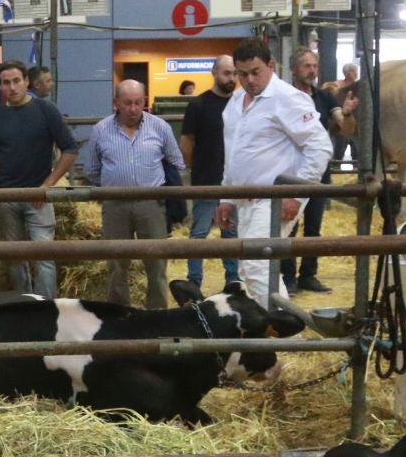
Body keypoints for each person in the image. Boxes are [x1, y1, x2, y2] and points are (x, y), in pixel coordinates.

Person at [217, 38, 332, 307]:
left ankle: (281, 326)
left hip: (274, 199)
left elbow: (320, 146)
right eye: (242, 74)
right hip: (245, 198)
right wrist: (226, 197)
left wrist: (295, 193)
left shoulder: (288, 99)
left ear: (271, 65)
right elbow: (233, 152)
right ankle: (266, 332)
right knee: (249, 267)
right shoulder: (235, 101)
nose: (249, 80)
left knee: (257, 264)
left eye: (256, 72)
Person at [80, 80, 184, 309]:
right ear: (116, 103)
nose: (133, 109)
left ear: (145, 101)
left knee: (156, 263)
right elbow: (92, 170)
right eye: (127, 103)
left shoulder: (160, 127)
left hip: (151, 203)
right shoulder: (100, 130)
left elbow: (176, 162)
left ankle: (157, 314)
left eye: (138, 102)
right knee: (116, 263)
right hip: (115, 204)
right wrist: (112, 187)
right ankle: (120, 313)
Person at [0, 60, 77, 297]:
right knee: (15, 256)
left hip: (38, 197)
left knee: (43, 256)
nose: (12, 87)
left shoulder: (46, 110)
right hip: (7, 196)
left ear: (26, 82)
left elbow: (70, 149)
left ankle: (45, 308)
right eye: (6, 83)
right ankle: (23, 305)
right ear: (0, 87)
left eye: (16, 81)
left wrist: (47, 185)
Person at [278, 49, 340, 295]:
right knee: (290, 223)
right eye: (306, 66)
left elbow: (342, 128)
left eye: (314, 65)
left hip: (318, 173)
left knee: (313, 226)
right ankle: (288, 276)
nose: (312, 70)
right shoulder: (285, 97)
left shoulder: (325, 97)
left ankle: (308, 275)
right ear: (294, 68)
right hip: (291, 171)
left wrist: (345, 112)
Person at [179, 53, 240, 291]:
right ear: (214, 73)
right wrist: (199, 168)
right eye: (227, 73)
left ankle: (233, 280)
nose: (231, 78)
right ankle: (194, 281)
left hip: (233, 182)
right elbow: (186, 143)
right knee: (199, 233)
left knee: (231, 234)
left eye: (235, 73)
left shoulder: (240, 104)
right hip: (206, 179)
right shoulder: (198, 104)